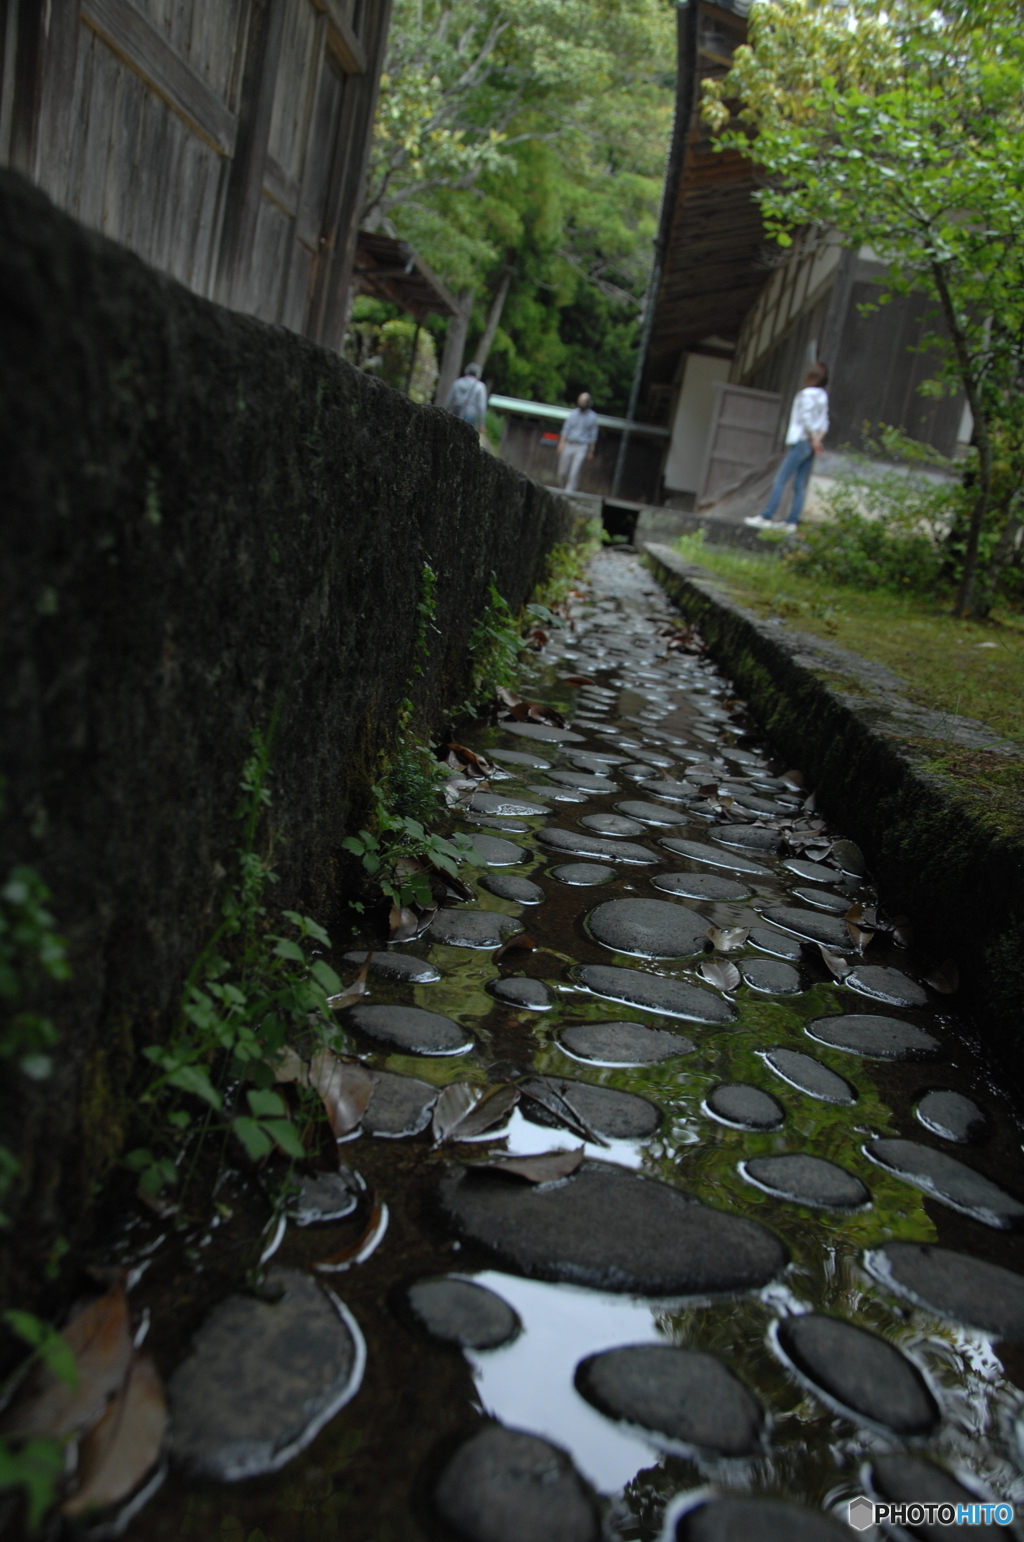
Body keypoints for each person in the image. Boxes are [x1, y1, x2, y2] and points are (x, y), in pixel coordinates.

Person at [745, 362, 829, 530]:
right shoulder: (823, 396)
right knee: (799, 485)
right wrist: (817, 441)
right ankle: (791, 522)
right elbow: (825, 422)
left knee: (780, 480)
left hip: (801, 442)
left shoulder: (805, 394)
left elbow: (805, 419)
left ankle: (766, 516)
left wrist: (812, 438)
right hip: (811, 446)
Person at [557, 392, 599, 491]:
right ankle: (563, 488)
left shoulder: (593, 417)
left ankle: (568, 492)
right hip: (569, 443)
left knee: (574, 471)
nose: (581, 403)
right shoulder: (573, 413)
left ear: (588, 403)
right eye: (580, 401)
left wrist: (591, 450)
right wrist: (561, 443)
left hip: (582, 446)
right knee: (562, 472)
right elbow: (566, 429)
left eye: (583, 401)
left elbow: (593, 435)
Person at [446, 361, 488, 436]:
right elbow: (481, 407)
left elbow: (449, 400)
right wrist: (481, 423)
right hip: (470, 418)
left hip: (455, 414)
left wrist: (446, 412)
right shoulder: (480, 387)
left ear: (466, 372)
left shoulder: (457, 382)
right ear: (478, 374)